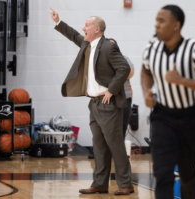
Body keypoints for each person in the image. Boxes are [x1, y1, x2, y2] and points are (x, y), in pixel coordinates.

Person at [50, 7, 133, 195]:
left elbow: (124, 69)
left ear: (97, 29)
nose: (83, 28)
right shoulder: (87, 44)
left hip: (108, 104)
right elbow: (72, 35)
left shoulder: (109, 46)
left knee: (115, 145)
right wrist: (58, 21)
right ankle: (100, 183)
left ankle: (126, 184)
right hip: (94, 104)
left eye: (87, 25)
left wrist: (111, 91)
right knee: (99, 146)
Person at [141, 5, 195, 199]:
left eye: (162, 21)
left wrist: (182, 80)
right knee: (162, 173)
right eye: (156, 20)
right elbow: (145, 71)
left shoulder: (194, 49)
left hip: (188, 117)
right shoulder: (152, 47)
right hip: (162, 116)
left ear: (176, 25)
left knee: (186, 175)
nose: (156, 25)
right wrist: (147, 92)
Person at [88, 38, 134, 159]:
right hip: (105, 99)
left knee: (121, 128)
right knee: (104, 129)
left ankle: (118, 156)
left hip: (124, 98)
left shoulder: (124, 59)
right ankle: (102, 154)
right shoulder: (100, 60)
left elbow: (129, 72)